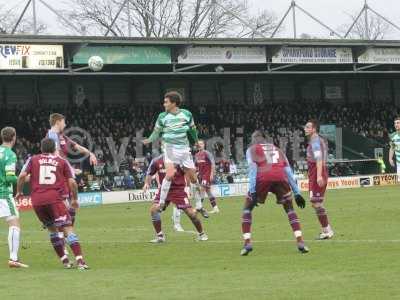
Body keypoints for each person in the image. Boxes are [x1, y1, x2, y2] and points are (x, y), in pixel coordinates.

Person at [16, 138, 89, 270]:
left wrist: (19, 192)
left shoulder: (33, 159)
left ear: (41, 148)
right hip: (54, 199)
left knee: (52, 231)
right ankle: (80, 261)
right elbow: (72, 182)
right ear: (54, 148)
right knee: (68, 228)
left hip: (37, 201)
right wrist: (75, 199)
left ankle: (65, 261)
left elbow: (22, 176)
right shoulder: (62, 161)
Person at [241, 130, 308, 256]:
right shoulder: (278, 149)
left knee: (247, 209)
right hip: (280, 177)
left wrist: (253, 191)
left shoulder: (251, 149)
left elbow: (253, 169)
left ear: (255, 139)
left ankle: (247, 243)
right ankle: (300, 242)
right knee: (290, 209)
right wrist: (297, 193)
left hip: (263, 177)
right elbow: (288, 171)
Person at [143, 91, 208, 218]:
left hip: (184, 149)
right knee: (170, 174)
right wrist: (149, 139)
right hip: (169, 148)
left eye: (166, 102)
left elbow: (192, 130)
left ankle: (199, 206)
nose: (164, 104)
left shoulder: (187, 114)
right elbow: (156, 132)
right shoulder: (162, 116)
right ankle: (161, 203)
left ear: (173, 103)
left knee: (193, 178)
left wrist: (195, 142)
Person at [143, 154, 208, 243]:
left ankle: (202, 234)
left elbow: (189, 173)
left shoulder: (180, 160)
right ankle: (160, 236)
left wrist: (190, 185)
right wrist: (146, 183)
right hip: (164, 191)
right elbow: (149, 173)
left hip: (178, 190)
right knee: (154, 210)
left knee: (191, 213)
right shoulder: (156, 161)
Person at [0, 127, 28, 268]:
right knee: (14, 224)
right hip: (3, 194)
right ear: (14, 137)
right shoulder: (9, 154)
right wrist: (24, 179)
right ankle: (13, 258)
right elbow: (10, 177)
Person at [304, 119, 334, 240]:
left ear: (314, 129)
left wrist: (319, 175)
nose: (305, 129)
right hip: (315, 171)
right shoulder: (318, 140)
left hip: (317, 171)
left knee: (316, 203)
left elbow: (319, 158)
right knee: (316, 202)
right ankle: (326, 230)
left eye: (307, 127)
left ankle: (327, 230)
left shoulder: (315, 141)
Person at [194, 140, 219, 214]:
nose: (200, 145)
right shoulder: (196, 155)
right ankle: (215, 208)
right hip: (201, 175)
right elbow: (196, 166)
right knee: (208, 191)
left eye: (201, 143)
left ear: (204, 145)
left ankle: (198, 207)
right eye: (199, 144)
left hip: (207, 175)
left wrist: (212, 174)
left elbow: (213, 164)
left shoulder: (207, 153)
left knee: (202, 189)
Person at [389, 117, 400, 181]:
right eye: (395, 123)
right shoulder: (392, 136)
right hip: (399, 163)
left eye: (398, 123)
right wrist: (390, 158)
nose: (396, 124)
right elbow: (392, 148)